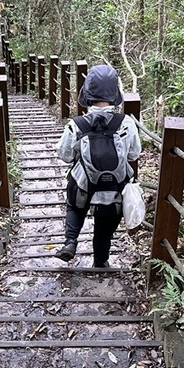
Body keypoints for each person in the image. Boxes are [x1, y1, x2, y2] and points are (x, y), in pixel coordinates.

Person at [54, 64, 142, 267]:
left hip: (84, 187)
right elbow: (134, 154)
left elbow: (65, 154)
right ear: (114, 95)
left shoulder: (78, 124)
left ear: (87, 94)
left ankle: (70, 242)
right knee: (105, 223)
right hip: (114, 190)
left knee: (74, 204)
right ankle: (100, 261)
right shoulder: (126, 123)